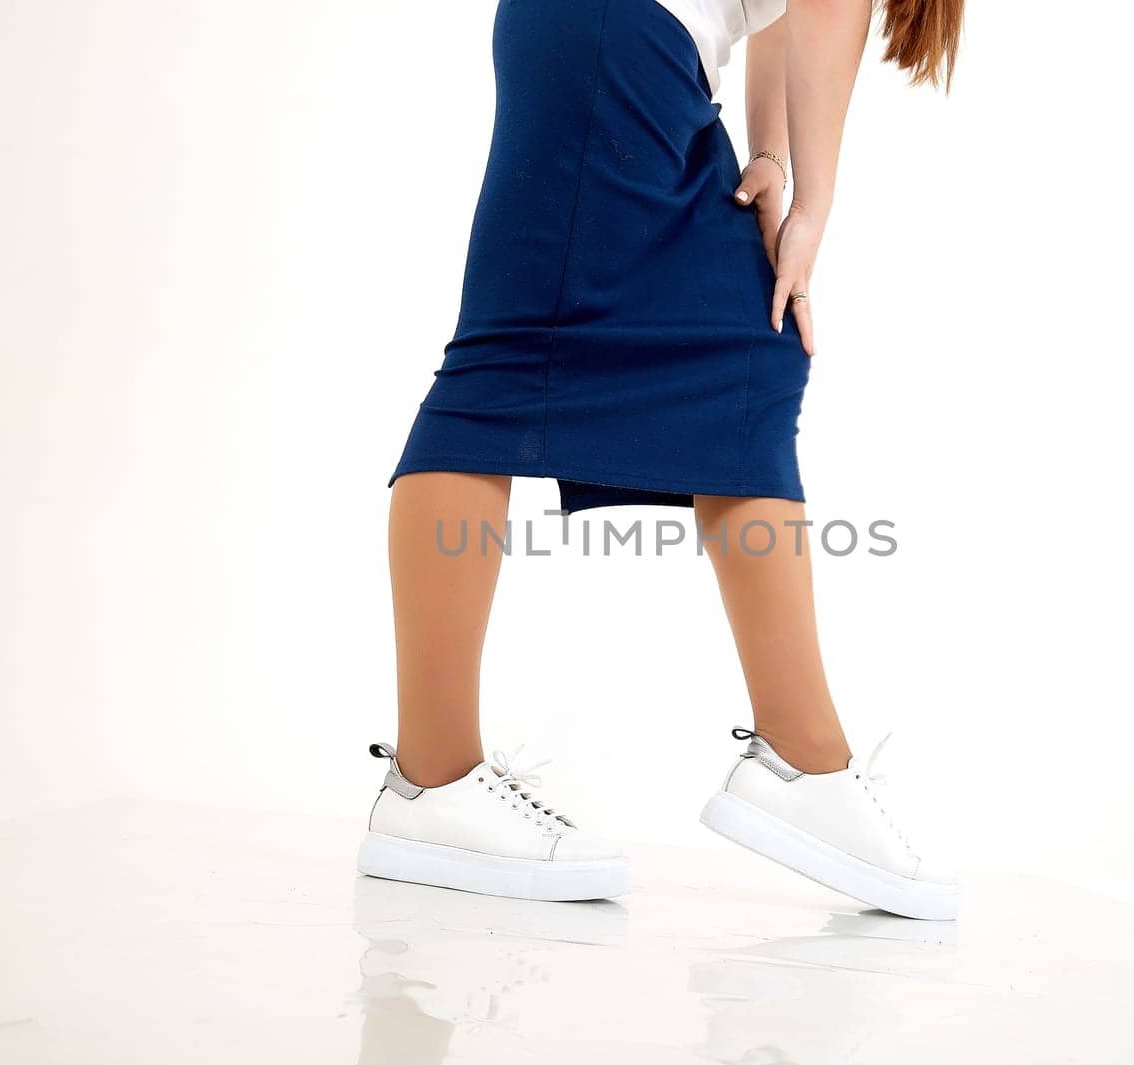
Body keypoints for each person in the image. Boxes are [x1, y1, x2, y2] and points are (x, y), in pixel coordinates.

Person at [357, 0, 964, 920]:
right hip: (617, 35)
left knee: (728, 357)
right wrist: (815, 209)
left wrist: (769, 158)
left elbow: (780, 10)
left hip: (601, 33)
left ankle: (434, 779)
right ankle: (436, 780)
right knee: (520, 370)